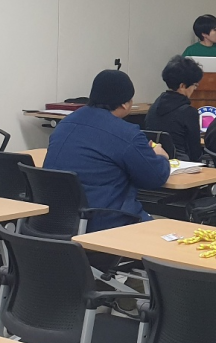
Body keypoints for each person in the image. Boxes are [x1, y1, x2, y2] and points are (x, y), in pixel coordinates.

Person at [45, 70, 171, 232]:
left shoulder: (65, 124)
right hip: (105, 223)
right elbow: (155, 178)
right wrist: (161, 157)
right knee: (167, 229)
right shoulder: (126, 133)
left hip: (56, 221)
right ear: (125, 104)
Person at [144, 56, 204, 162]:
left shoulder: (155, 105)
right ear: (182, 86)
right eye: (194, 85)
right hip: (182, 165)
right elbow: (195, 152)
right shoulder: (188, 112)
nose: (194, 89)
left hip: (154, 161)